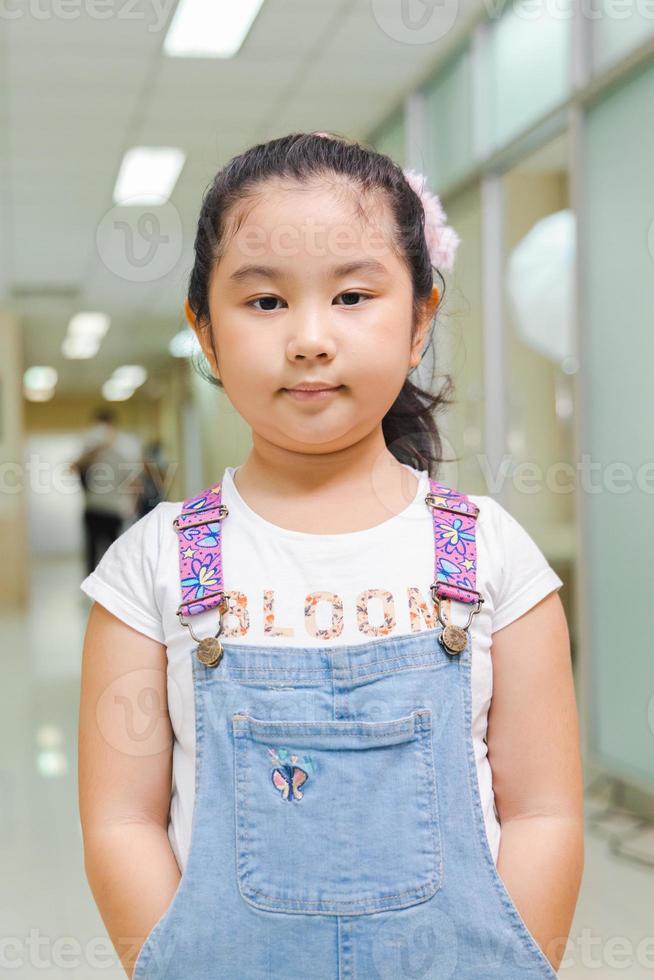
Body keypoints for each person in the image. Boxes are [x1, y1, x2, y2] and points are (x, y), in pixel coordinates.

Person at [78, 132, 583, 979]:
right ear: (204, 332)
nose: (310, 338)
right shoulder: (151, 566)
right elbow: (121, 822)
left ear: (420, 319)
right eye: (265, 303)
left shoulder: (491, 551)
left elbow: (542, 813)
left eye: (353, 295)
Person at [70, 408, 142, 575]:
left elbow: (132, 481)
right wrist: (93, 452)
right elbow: (72, 468)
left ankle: (113, 585)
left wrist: (132, 505)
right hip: (93, 507)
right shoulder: (89, 452)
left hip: (113, 509)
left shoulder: (123, 451)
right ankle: (89, 587)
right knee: (91, 551)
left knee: (113, 551)